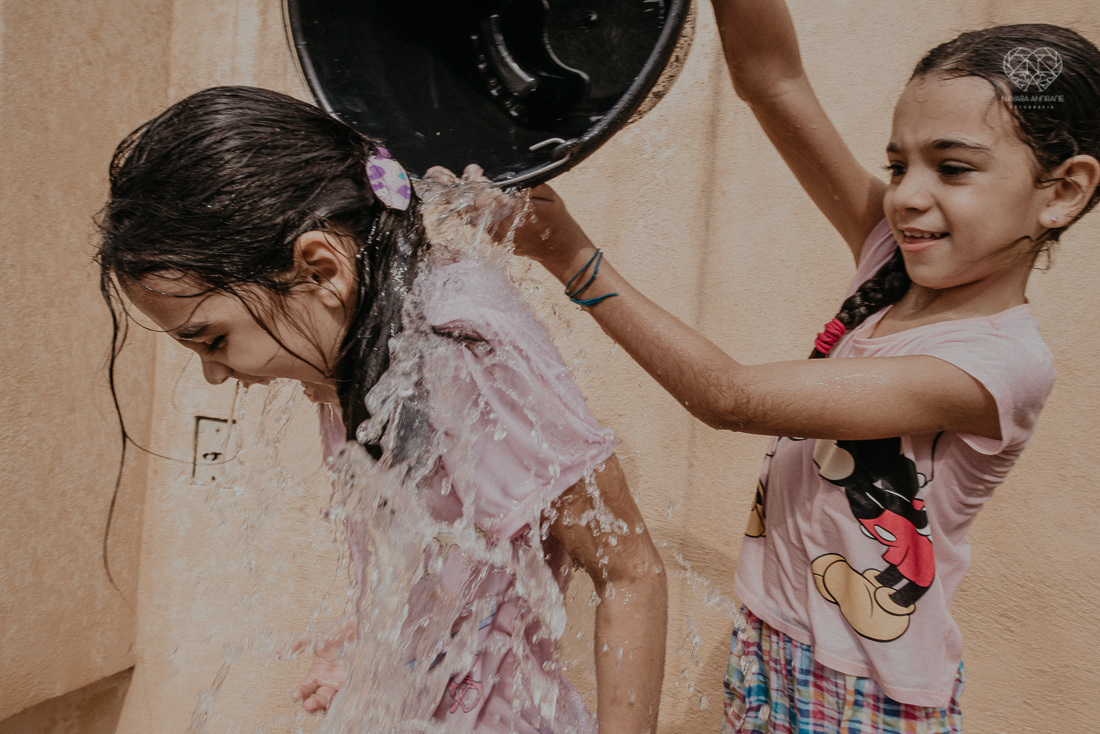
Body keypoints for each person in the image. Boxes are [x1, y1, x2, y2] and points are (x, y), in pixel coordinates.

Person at [507, 2, 1100, 732]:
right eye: (897, 163)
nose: (909, 194)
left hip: (866, 695)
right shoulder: (893, 260)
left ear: (1063, 191)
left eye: (952, 168)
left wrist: (572, 258)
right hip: (771, 644)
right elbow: (770, 77)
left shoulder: (995, 365)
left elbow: (732, 398)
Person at [95, 86, 666, 733]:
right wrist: (385, 652)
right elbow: (458, 557)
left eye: (213, 339)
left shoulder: (460, 344)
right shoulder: (351, 351)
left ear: (319, 269)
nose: (216, 373)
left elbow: (630, 571)